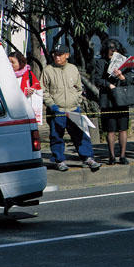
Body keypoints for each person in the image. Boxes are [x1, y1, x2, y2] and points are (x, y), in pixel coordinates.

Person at [41, 44, 100, 172]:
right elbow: (43, 90)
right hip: (57, 110)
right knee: (56, 136)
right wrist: (52, 105)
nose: (57, 57)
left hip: (74, 109)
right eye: (55, 54)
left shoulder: (73, 68)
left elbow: (79, 88)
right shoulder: (48, 70)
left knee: (81, 134)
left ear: (67, 55)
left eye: (60, 54)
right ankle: (59, 160)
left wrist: (77, 101)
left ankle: (88, 158)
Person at [93, 39, 134, 165]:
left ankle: (123, 155)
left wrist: (121, 77)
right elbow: (96, 79)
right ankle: (111, 156)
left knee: (123, 128)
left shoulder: (125, 63)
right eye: (111, 53)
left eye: (115, 52)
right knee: (110, 129)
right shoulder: (100, 62)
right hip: (108, 99)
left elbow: (129, 80)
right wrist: (108, 84)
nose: (113, 55)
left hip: (122, 98)